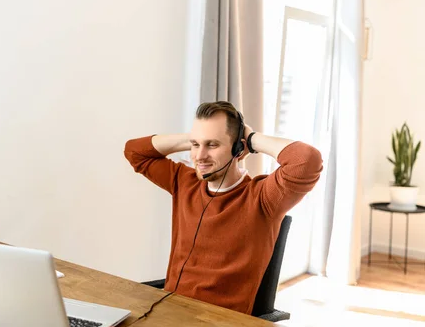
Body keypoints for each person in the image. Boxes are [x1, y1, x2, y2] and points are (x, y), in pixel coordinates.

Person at [124, 101, 323, 314]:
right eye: (196, 145)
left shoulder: (263, 197)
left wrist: (252, 139)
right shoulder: (184, 182)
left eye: (213, 145)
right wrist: (194, 139)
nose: (199, 156)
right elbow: (134, 151)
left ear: (238, 148)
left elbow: (307, 160)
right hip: (170, 312)